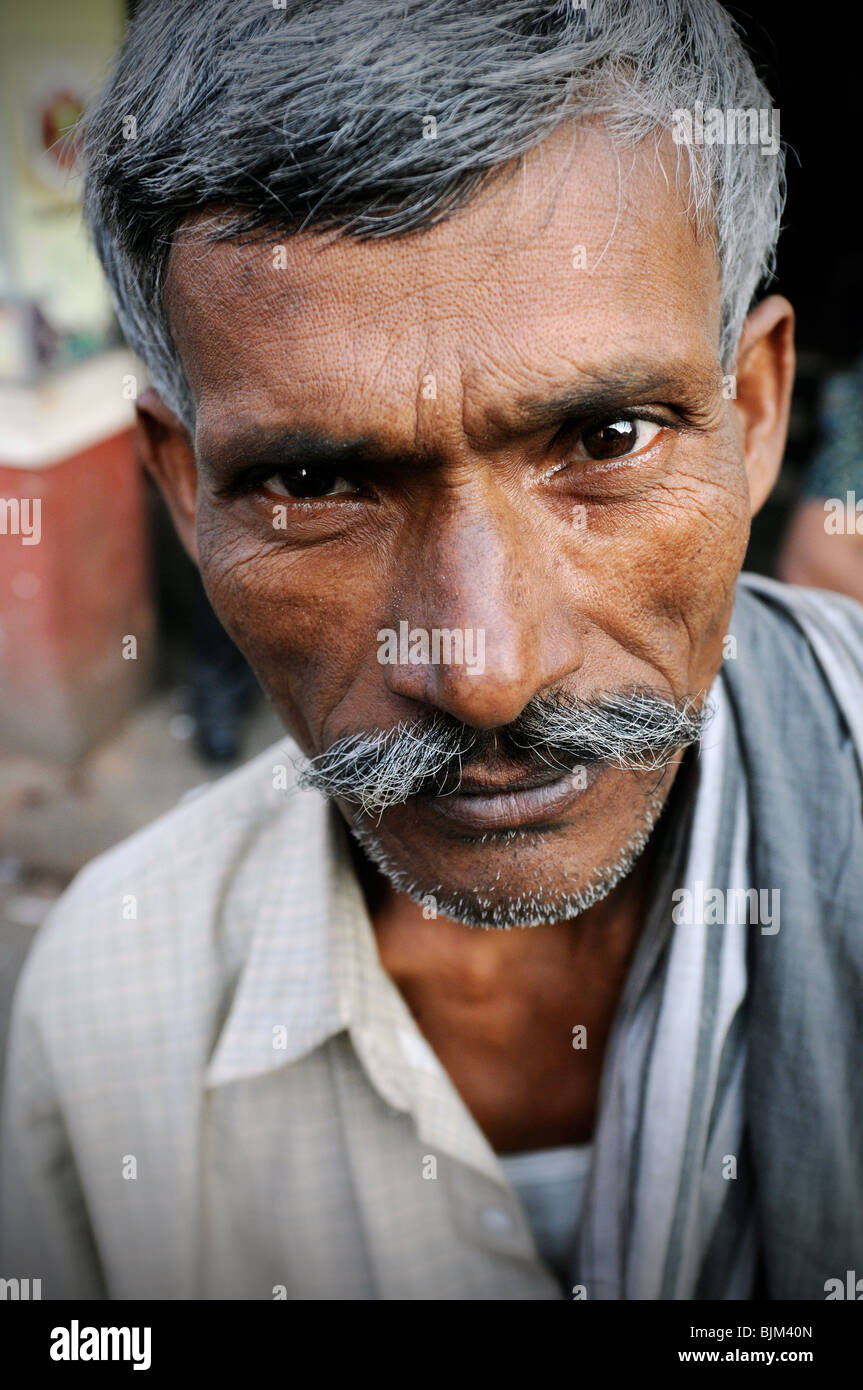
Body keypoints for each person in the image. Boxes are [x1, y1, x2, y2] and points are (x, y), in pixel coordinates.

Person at [2, 0, 862, 1302]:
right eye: (315, 478)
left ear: (753, 412)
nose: (485, 669)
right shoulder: (114, 1012)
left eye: (608, 439)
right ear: (186, 492)